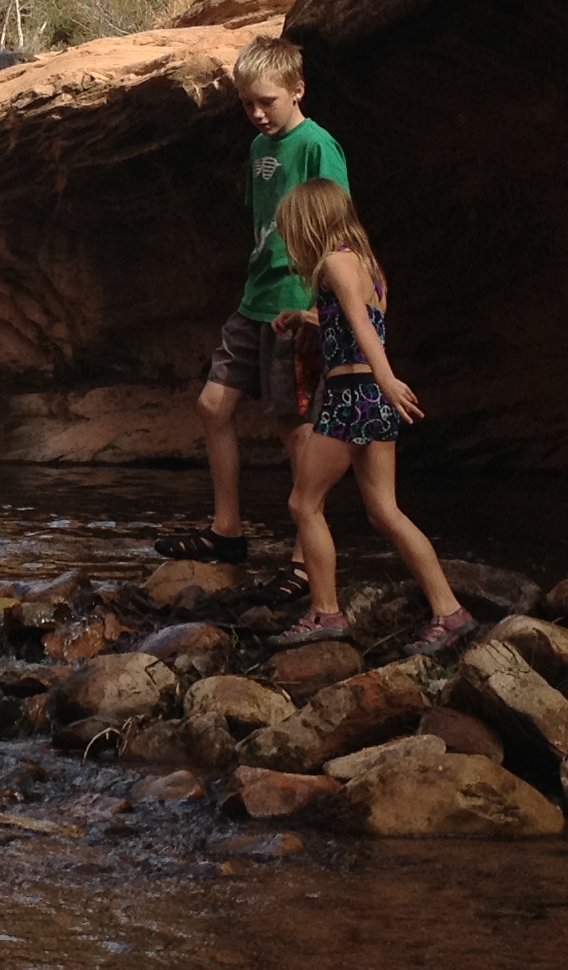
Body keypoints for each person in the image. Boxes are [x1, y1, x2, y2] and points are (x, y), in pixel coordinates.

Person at [156, 34, 346, 565]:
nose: (258, 114)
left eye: (268, 101)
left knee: (295, 428)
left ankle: (304, 558)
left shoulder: (317, 146)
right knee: (213, 405)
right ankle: (228, 530)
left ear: (298, 90)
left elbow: (338, 228)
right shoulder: (259, 146)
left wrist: (320, 307)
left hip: (295, 300)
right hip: (255, 297)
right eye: (247, 104)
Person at [265, 180, 474, 657]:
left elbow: (360, 330)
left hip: (352, 394)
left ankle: (325, 612)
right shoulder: (368, 266)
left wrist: (386, 378)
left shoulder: (334, 262)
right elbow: (359, 315)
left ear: (310, 223)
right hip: (371, 398)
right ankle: (450, 611)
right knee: (385, 511)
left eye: (292, 229)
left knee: (304, 503)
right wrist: (305, 316)